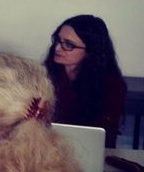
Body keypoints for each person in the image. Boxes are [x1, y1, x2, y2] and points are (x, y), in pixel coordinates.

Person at [44, 15, 127, 148]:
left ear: (90, 52)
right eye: (58, 40)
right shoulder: (43, 76)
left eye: (68, 45)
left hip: (88, 149)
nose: (57, 48)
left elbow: (106, 137)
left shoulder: (111, 85)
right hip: (48, 147)